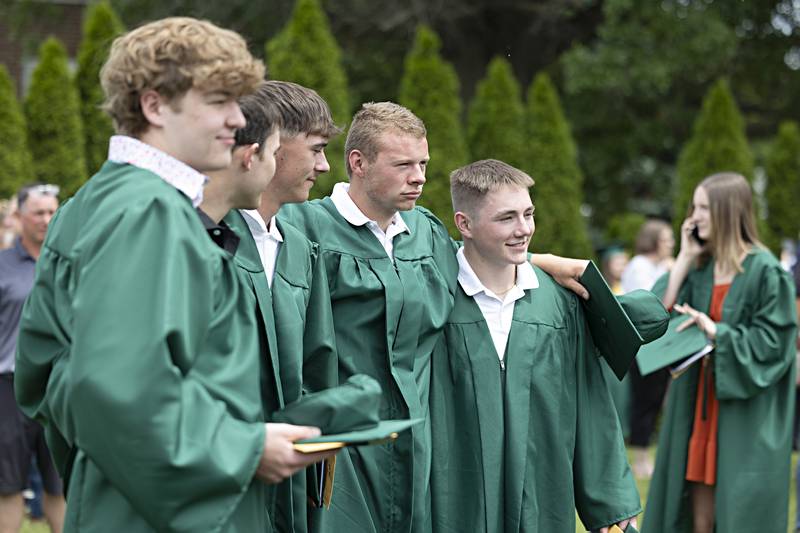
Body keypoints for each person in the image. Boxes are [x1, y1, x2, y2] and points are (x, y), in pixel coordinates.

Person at [14, 18, 324, 532]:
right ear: (154, 105)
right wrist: (243, 447)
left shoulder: (121, 200)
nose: (235, 120)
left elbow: (56, 375)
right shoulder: (148, 211)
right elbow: (111, 389)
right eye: (220, 101)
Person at [280, 101, 597, 532]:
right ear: (358, 163)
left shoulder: (424, 232)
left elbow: (474, 259)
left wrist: (542, 262)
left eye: (423, 163)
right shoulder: (303, 226)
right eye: (404, 164)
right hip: (342, 440)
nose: (420, 177)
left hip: (417, 438)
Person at [429, 159, 639, 533]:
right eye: (506, 218)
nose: (524, 229)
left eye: (528, 213)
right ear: (465, 224)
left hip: (542, 495)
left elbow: (589, 402)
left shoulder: (559, 304)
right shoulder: (433, 296)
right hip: (454, 497)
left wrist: (611, 503)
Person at [206, 80, 341, 532]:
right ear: (273, 143)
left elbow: (317, 362)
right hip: (218, 472)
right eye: (317, 149)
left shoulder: (301, 250)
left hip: (289, 477)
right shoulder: (205, 239)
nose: (324, 166)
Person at [642, 172, 797, 533]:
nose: (693, 217)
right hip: (699, 407)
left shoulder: (766, 271)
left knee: (739, 511)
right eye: (693, 207)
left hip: (742, 410)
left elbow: (776, 344)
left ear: (728, 211)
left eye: (703, 208)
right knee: (700, 519)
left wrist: (718, 333)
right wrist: (683, 256)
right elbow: (655, 313)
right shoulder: (699, 267)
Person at [0, 184, 63, 533]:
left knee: (60, 485)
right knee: (8, 487)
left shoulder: (68, 261)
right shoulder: (2, 264)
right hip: (8, 391)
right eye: (38, 212)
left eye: (52, 211)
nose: (46, 219)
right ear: (19, 216)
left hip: (58, 388)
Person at [622, 219, 675, 479]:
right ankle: (639, 460)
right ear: (654, 241)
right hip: (643, 347)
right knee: (644, 403)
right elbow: (649, 301)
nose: (671, 245)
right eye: (666, 239)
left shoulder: (658, 266)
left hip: (660, 346)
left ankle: (646, 458)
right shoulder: (639, 266)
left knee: (654, 402)